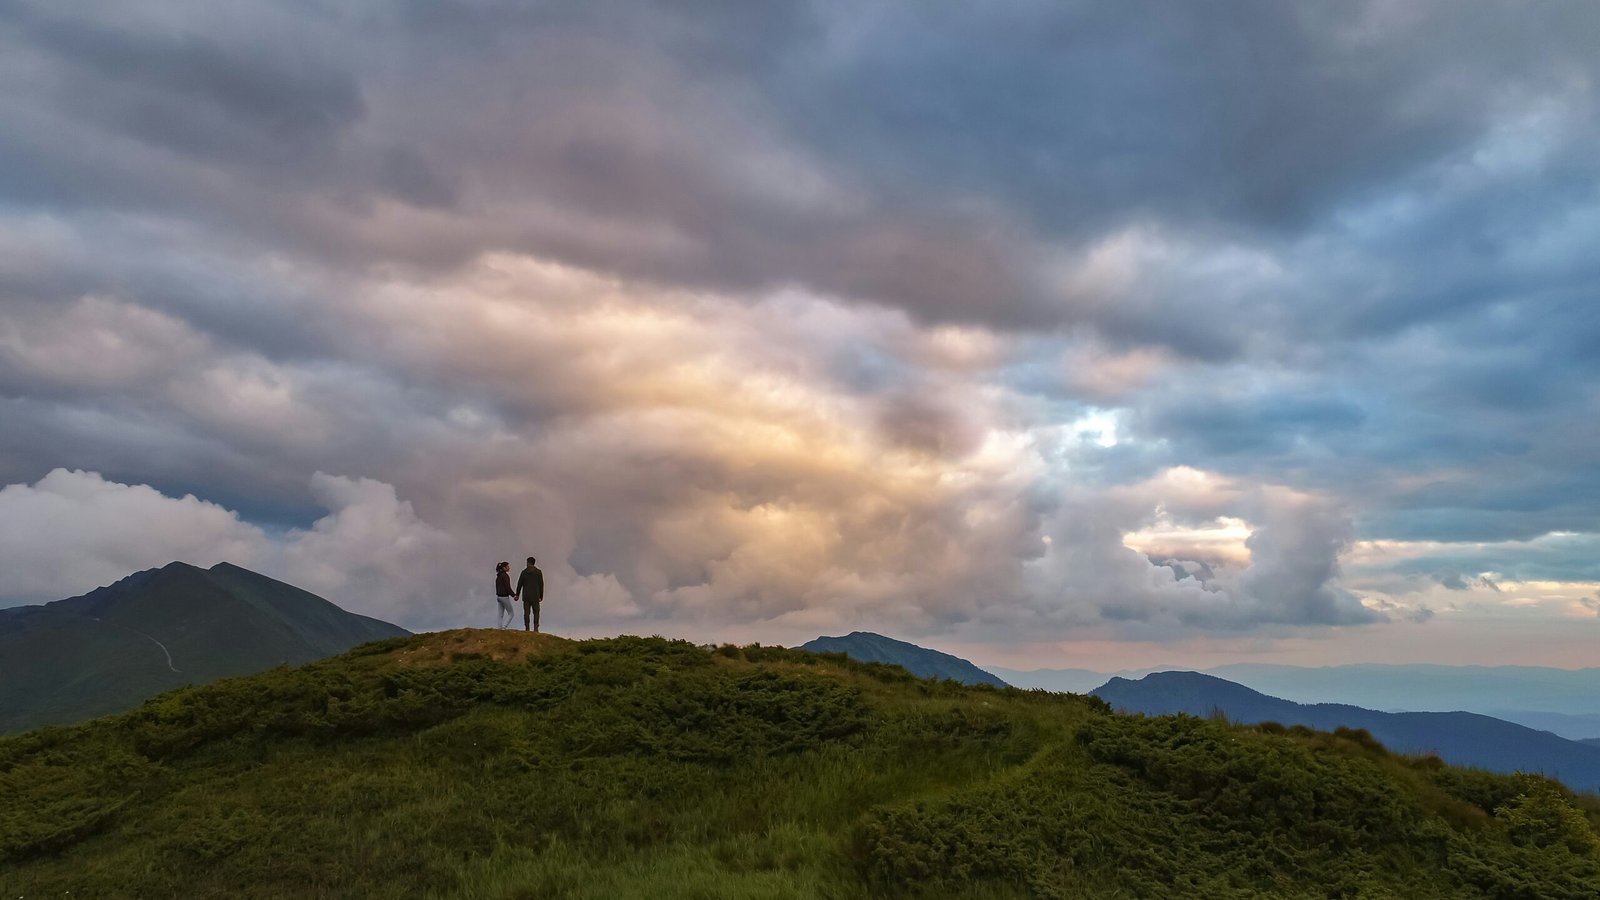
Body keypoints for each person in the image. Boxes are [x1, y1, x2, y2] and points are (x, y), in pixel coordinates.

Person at [516, 556, 545, 633]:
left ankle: (527, 628)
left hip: (526, 596)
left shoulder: (523, 572)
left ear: (528, 562)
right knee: (536, 612)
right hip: (535, 595)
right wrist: (541, 595)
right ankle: (536, 628)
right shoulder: (538, 572)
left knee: (526, 613)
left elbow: (519, 584)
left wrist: (517, 594)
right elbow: (541, 584)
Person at [493, 561, 516, 629]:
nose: (509, 568)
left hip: (499, 597)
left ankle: (499, 627)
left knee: (500, 614)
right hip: (504, 597)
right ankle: (504, 626)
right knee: (511, 613)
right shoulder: (505, 576)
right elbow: (508, 588)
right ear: (504, 568)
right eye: (508, 566)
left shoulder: (498, 576)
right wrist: (514, 595)